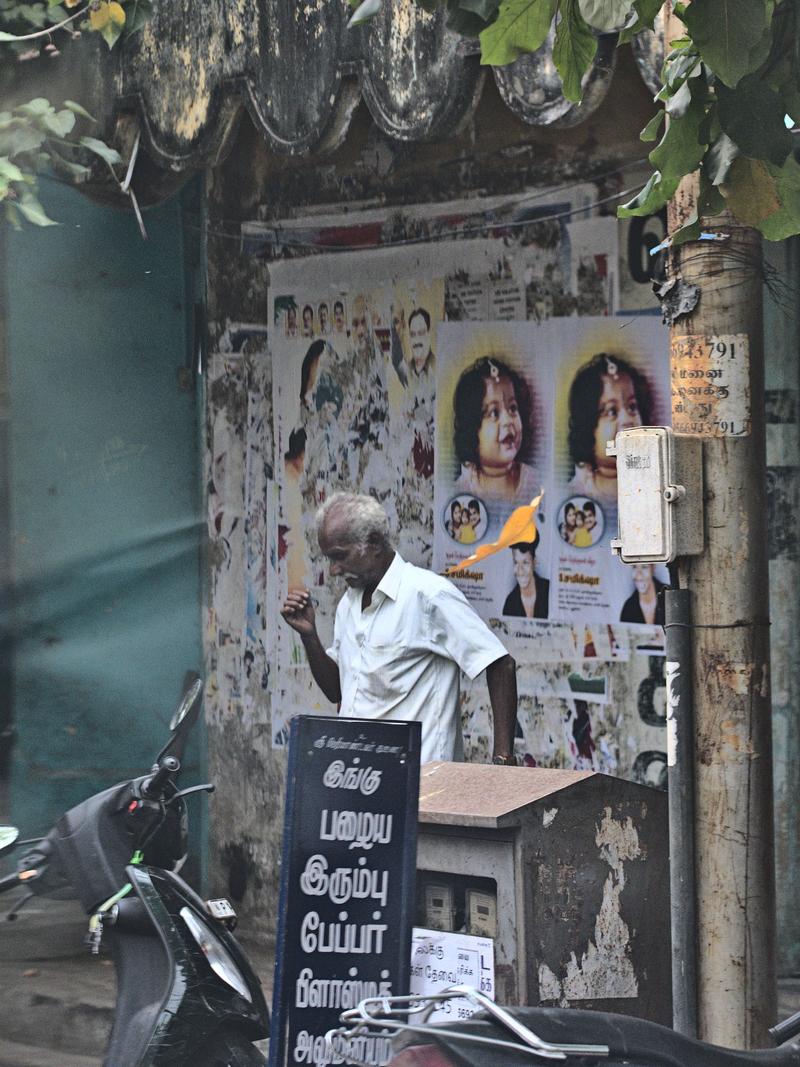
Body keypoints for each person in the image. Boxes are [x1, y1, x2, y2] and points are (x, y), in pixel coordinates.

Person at [281, 492, 519, 765]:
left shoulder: (427, 595)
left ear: (373, 542)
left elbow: (500, 664)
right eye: (329, 559)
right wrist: (309, 636)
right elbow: (338, 689)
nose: (334, 570)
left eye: (339, 556)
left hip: (423, 783)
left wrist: (503, 760)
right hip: (359, 779)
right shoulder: (348, 604)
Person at [567, 353, 653, 506]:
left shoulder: (653, 482)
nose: (627, 421)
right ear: (587, 429)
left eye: (632, 407)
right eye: (611, 411)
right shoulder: (574, 494)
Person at [453, 356, 537, 502]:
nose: (508, 421)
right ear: (472, 430)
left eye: (512, 408)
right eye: (494, 413)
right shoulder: (462, 491)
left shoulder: (534, 483)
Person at [502, 534, 549, 619]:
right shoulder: (510, 602)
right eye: (516, 562)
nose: (520, 570)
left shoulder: (548, 591)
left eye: (525, 562)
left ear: (534, 563)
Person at [408, 307, 434, 376]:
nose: (416, 340)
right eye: (412, 334)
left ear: (429, 335)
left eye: (421, 333)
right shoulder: (406, 371)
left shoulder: (438, 367)